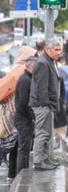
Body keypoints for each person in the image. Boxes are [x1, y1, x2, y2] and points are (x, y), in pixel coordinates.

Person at [0, 45, 36, 182]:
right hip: (16, 113)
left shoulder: (15, 71)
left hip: (12, 112)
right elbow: (23, 100)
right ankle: (16, 174)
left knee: (15, 145)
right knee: (19, 146)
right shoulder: (19, 73)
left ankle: (11, 174)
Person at [29, 37, 62, 171]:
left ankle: (44, 159)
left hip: (46, 105)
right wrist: (46, 104)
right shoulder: (43, 62)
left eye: (60, 50)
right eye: (56, 50)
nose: (58, 52)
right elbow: (41, 87)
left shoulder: (49, 61)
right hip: (42, 105)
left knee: (46, 133)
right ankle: (38, 161)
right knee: (42, 133)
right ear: (47, 49)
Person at [14, 56, 37, 175]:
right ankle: (21, 174)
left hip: (24, 119)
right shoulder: (25, 80)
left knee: (26, 148)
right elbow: (24, 102)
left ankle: (23, 172)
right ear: (32, 67)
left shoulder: (28, 79)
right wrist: (32, 116)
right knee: (24, 149)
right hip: (23, 119)